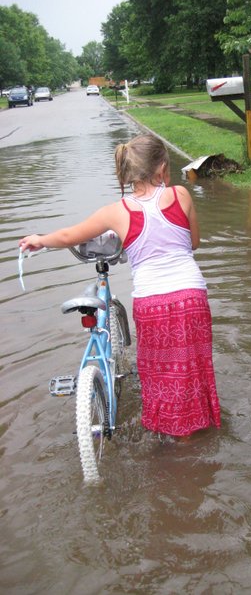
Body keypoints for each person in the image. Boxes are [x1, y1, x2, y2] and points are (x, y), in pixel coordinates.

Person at [19, 133, 221, 438]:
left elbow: (67, 237)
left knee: (162, 372)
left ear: (127, 170)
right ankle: (194, 430)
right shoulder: (181, 195)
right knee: (192, 367)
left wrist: (39, 241)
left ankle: (173, 435)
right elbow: (193, 243)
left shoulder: (117, 211)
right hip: (191, 296)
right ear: (162, 167)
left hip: (152, 302)